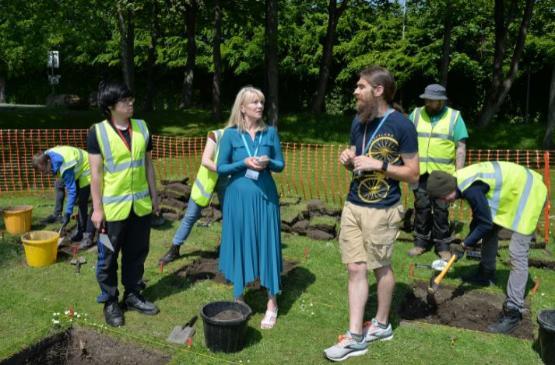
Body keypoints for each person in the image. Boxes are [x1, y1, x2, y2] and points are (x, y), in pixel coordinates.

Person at [324, 66, 419, 362]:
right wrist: (347, 160)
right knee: (355, 267)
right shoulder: (358, 121)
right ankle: (355, 337)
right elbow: (356, 160)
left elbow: (414, 173)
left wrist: (380, 165)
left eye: (360, 86)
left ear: (378, 91)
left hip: (383, 209)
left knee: (381, 267)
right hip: (354, 204)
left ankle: (380, 324)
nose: (355, 91)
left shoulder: (402, 125)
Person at [426, 161, 547, 334]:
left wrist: (465, 244)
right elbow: (480, 220)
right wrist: (467, 242)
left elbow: (484, 223)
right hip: (511, 192)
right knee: (489, 232)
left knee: (517, 252)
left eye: (444, 198)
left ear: (448, 189)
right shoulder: (459, 181)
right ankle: (486, 274)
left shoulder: (471, 189)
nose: (445, 202)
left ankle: (514, 311)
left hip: (528, 193)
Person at [88, 81, 160, 327]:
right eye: (125, 101)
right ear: (110, 107)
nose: (131, 104)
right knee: (107, 258)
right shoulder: (97, 132)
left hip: (139, 207)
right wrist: (97, 209)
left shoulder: (143, 127)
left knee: (137, 253)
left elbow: (148, 165)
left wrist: (155, 195)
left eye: (131, 99)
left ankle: (132, 295)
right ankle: (110, 301)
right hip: (112, 211)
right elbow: (95, 174)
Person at [217, 86, 284, 330]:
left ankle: (272, 303)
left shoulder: (270, 132)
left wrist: (267, 163)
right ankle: (239, 298)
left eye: (261, 102)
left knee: (267, 244)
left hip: (265, 198)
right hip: (238, 200)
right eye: (254, 103)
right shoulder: (230, 135)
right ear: (242, 108)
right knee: (240, 243)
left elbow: (280, 164)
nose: (259, 106)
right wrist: (242, 162)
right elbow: (221, 168)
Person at [408, 84, 468, 261]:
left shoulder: (455, 117)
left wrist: (460, 175)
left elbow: (461, 148)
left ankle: (442, 246)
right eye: (426, 99)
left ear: (441, 101)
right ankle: (420, 243)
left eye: (431, 100)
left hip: (444, 175)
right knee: (422, 207)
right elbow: (407, 138)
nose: (427, 102)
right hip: (420, 171)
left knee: (441, 210)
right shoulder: (416, 114)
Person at [159, 127, 228, 264]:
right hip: (208, 180)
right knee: (190, 215)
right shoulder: (218, 135)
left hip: (227, 181)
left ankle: (225, 248)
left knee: (230, 217)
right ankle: (174, 249)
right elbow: (206, 160)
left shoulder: (247, 137)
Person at [32, 146, 94, 249]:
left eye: (42, 170)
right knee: (60, 185)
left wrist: (67, 213)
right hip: (76, 166)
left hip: (87, 167)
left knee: (82, 201)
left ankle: (87, 235)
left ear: (46, 162)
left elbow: (72, 191)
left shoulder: (65, 166)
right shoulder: (46, 155)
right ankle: (79, 230)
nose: (43, 173)